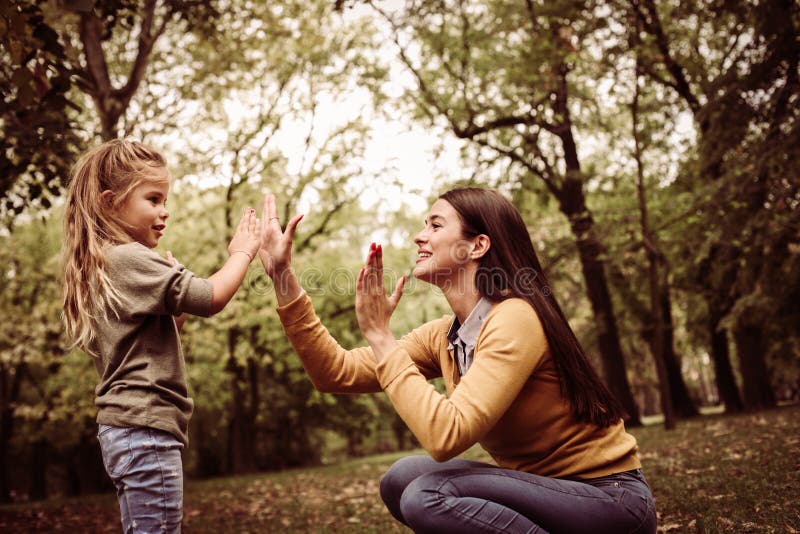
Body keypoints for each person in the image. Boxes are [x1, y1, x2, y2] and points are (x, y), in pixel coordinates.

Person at [258, 187, 657, 533]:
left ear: (477, 246)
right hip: (539, 491)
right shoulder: (445, 335)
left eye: (435, 225)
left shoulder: (516, 318)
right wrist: (281, 277)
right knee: (400, 479)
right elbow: (335, 373)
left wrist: (381, 336)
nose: (419, 236)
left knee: (426, 494)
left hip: (610, 502)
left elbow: (447, 436)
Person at [61, 139, 261, 533]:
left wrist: (176, 301)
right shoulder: (127, 258)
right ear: (109, 201)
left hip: (128, 429)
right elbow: (210, 297)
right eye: (152, 199)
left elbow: (163, 332)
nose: (164, 211)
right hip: (145, 428)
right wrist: (242, 253)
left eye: (165, 199)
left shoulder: (104, 263)